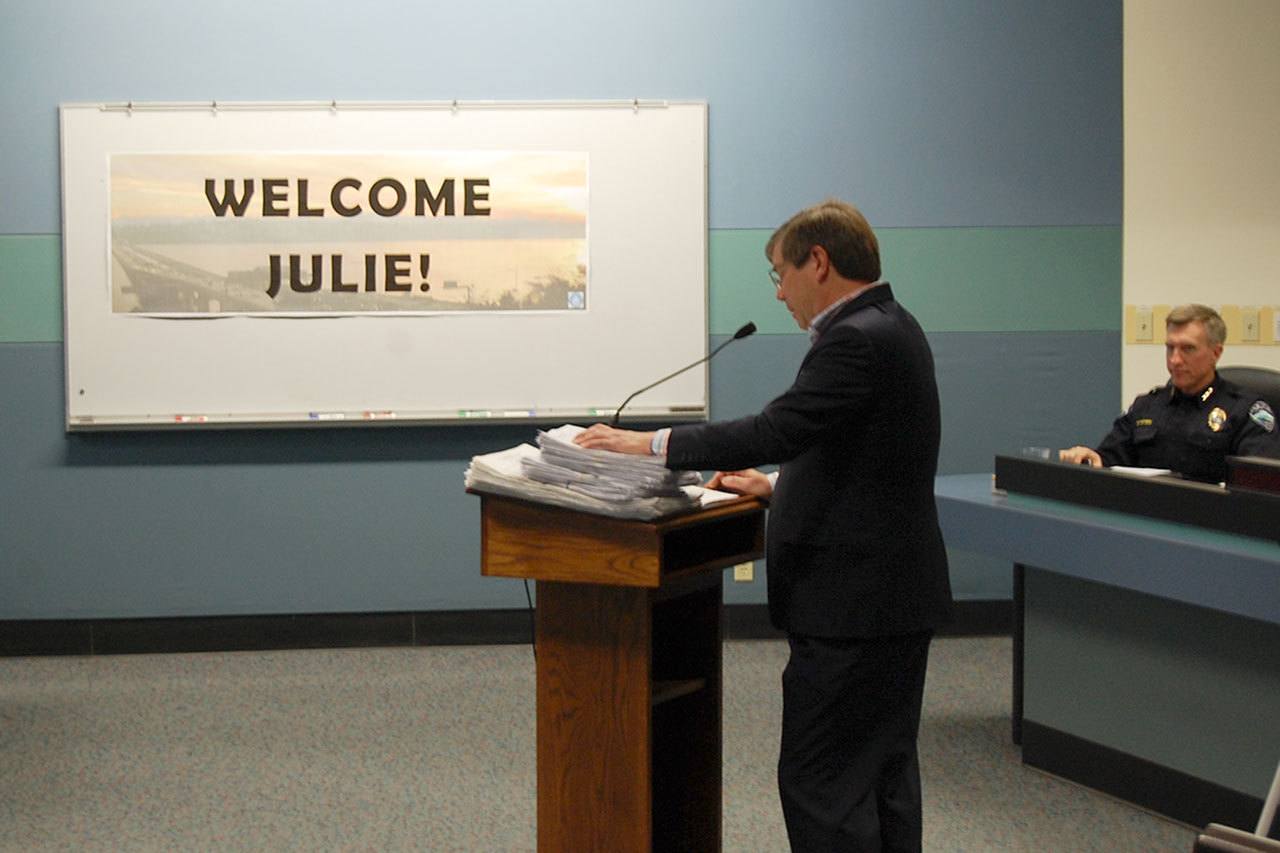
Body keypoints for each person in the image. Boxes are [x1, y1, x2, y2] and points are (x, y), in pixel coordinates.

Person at [574, 199, 953, 852]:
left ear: (820, 262)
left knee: (823, 783)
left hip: (854, 610)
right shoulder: (893, 324)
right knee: (882, 775)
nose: (778, 293)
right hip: (890, 598)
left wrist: (646, 445)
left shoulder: (855, 339)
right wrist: (777, 484)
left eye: (779, 273)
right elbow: (864, 455)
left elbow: (778, 427)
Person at [1059, 304, 1279, 482]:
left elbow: (1258, 482)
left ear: (1216, 352)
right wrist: (1091, 458)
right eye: (1170, 348)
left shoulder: (1244, 410)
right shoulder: (1147, 406)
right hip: (1148, 519)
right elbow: (1110, 458)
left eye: (1188, 349)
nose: (1175, 360)